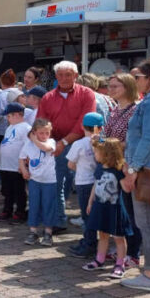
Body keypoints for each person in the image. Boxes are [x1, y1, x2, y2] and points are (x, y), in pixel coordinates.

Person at [120, 57, 150, 292]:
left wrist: (133, 169)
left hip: (149, 170)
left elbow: (148, 138)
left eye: (138, 77)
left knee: (148, 223)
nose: (135, 80)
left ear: (149, 79)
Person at [37, 60, 96, 234]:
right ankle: (58, 221)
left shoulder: (87, 94)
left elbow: (84, 123)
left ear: (76, 76)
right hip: (55, 144)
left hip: (80, 144)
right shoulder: (48, 97)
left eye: (68, 74)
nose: (64, 78)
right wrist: (49, 143)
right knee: (56, 184)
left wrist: (64, 142)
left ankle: (90, 225)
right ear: (56, 77)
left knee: (85, 185)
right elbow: (41, 122)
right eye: (60, 75)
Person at [104, 73, 141, 269]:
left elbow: (134, 140)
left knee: (131, 211)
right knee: (119, 210)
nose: (110, 90)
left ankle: (134, 253)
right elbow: (105, 134)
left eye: (115, 86)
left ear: (127, 87)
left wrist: (113, 145)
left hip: (127, 165)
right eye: (109, 86)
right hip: (113, 165)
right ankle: (123, 250)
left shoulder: (135, 110)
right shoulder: (114, 109)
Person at [82, 137, 133, 280]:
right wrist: (90, 202)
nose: (95, 155)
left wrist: (128, 173)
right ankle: (100, 259)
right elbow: (96, 184)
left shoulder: (118, 171)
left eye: (97, 152)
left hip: (115, 209)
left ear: (107, 154)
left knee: (118, 237)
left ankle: (120, 264)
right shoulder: (99, 168)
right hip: (100, 207)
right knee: (102, 234)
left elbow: (127, 189)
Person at [67, 112, 105, 259]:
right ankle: (89, 241)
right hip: (98, 182)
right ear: (100, 128)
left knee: (86, 215)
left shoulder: (79, 144)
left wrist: (82, 169)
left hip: (84, 182)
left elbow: (70, 164)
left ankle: (89, 244)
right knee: (94, 213)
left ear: (82, 126)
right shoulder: (103, 142)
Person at [19, 118, 57, 247]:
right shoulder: (28, 145)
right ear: (35, 132)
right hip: (34, 180)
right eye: (41, 133)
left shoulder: (51, 142)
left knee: (48, 206)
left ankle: (48, 233)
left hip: (49, 181)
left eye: (47, 133)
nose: (44, 136)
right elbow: (21, 158)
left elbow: (45, 148)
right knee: (34, 205)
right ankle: (33, 232)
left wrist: (33, 138)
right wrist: (24, 170)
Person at [0, 103, 31, 224]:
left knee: (19, 190)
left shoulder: (25, 128)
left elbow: (28, 146)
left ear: (17, 115)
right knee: (7, 190)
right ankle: (7, 209)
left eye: (9, 116)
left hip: (16, 166)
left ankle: (20, 211)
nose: (7, 118)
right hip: (5, 165)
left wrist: (24, 164)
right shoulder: (10, 127)